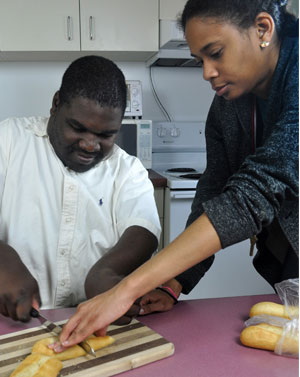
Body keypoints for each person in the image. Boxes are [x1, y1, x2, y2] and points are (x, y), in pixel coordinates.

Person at [53, 0, 298, 350]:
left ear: (262, 29)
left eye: (216, 53)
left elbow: (255, 193)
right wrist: (176, 280)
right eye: (201, 60)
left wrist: (125, 290)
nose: (207, 73)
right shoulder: (227, 109)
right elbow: (213, 192)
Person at [0, 55, 161, 325]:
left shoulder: (128, 170)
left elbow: (143, 229)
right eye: (78, 128)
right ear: (55, 104)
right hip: (10, 323)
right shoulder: (8, 141)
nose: (89, 145)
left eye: (105, 135)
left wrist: (107, 272)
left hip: (92, 323)